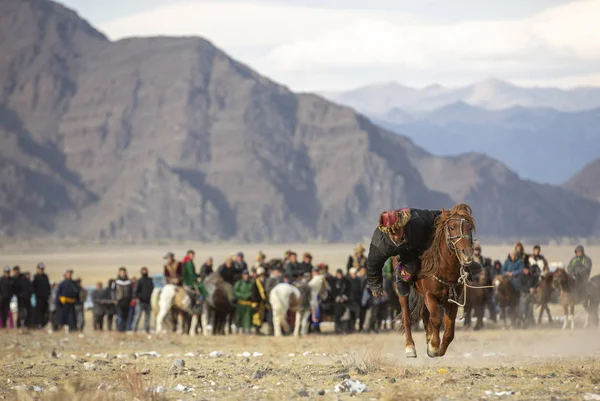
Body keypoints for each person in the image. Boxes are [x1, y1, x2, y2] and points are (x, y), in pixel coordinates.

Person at [366, 208, 441, 297]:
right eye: (393, 234)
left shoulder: (417, 220)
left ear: (403, 226)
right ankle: (400, 275)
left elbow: (433, 215)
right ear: (387, 232)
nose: (396, 237)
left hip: (418, 243)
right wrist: (375, 286)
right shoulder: (380, 244)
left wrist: (447, 214)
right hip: (405, 251)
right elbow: (372, 266)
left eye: (398, 231)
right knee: (410, 271)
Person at [132, 267, 154, 333]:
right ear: (141, 272)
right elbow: (135, 291)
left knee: (148, 317)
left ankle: (147, 329)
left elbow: (152, 289)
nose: (145, 272)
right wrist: (139, 297)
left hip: (148, 301)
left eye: (146, 271)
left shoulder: (150, 280)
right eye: (143, 271)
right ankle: (134, 329)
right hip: (140, 301)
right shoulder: (139, 281)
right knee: (137, 316)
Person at [32, 263, 51, 329]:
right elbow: (33, 288)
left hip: (45, 298)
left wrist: (48, 294)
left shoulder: (45, 276)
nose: (41, 270)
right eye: (40, 269)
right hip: (38, 298)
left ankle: (44, 324)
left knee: (45, 311)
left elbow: (48, 287)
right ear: (37, 269)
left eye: (42, 269)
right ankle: (39, 324)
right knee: (38, 311)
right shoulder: (35, 277)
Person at [114, 267, 132, 332]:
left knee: (125, 316)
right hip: (119, 301)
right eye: (121, 272)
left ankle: (124, 328)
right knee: (119, 315)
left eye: (123, 272)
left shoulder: (128, 281)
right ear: (119, 273)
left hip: (127, 301)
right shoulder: (116, 281)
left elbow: (130, 291)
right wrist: (114, 299)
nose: (122, 273)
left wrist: (130, 298)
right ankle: (119, 328)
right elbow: (113, 291)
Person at [332, 269, 351, 334]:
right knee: (337, 316)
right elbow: (332, 291)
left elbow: (349, 290)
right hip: (337, 302)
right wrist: (338, 298)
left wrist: (344, 297)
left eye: (340, 274)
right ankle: (337, 330)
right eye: (338, 274)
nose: (339, 275)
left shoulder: (346, 281)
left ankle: (344, 329)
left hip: (345, 302)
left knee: (345, 316)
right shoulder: (333, 281)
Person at [251, 267, 268, 334]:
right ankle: (257, 330)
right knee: (256, 317)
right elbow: (255, 293)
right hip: (256, 302)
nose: (262, 276)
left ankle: (259, 329)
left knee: (261, 316)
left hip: (261, 303)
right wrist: (256, 302)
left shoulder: (262, 282)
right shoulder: (256, 282)